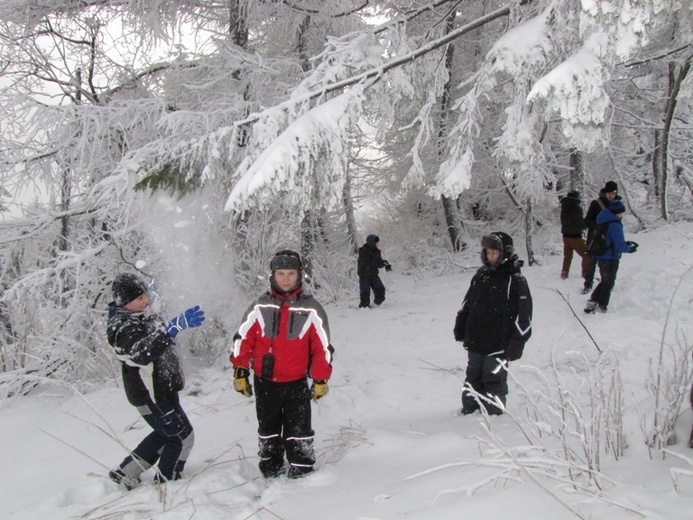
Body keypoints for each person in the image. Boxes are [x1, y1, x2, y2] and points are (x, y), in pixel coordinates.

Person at [230, 250, 334, 479]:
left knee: (299, 429)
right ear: (272, 276)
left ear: (299, 276)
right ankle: (271, 465)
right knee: (268, 428)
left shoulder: (312, 309)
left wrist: (320, 379)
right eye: (280, 273)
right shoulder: (259, 307)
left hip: (296, 382)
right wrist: (240, 371)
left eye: (291, 273)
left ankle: (302, 467)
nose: (285, 278)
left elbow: (322, 348)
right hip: (265, 381)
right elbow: (243, 340)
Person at [107, 273, 205, 489]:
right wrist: (172, 329)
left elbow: (156, 318)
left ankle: (126, 472)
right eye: (139, 298)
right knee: (181, 438)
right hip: (150, 395)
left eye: (145, 296)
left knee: (167, 434)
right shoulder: (123, 327)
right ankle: (168, 483)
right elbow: (141, 352)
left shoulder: (139, 315)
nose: (145, 301)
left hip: (162, 390)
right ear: (124, 302)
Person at [453, 232, 533, 415]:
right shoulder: (481, 275)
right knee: (473, 375)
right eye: (488, 253)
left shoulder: (515, 279)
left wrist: (518, 341)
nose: (490, 257)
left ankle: (493, 413)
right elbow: (469, 303)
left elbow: (524, 315)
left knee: (493, 376)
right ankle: (470, 408)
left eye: (494, 253)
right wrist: (461, 324)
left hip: (499, 342)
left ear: (505, 254)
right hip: (476, 338)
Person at [584, 200, 638, 313]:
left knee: (604, 281)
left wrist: (624, 243)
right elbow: (619, 245)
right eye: (622, 212)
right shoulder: (615, 224)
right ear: (617, 212)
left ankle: (592, 302)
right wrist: (629, 248)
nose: (622, 215)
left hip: (601, 255)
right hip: (610, 258)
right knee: (608, 283)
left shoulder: (603, 219)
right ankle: (602, 306)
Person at [583, 181, 619, 294]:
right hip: (595, 239)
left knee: (607, 264)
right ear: (605, 192)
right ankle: (588, 284)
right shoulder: (596, 204)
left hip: (610, 240)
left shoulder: (618, 205)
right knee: (592, 262)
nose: (611, 195)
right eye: (609, 193)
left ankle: (606, 286)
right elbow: (587, 221)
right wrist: (600, 226)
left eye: (613, 193)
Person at [559, 190, 589, 281]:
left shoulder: (564, 208)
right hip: (575, 236)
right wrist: (587, 224)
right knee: (586, 254)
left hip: (565, 236)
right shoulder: (577, 209)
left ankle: (564, 272)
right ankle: (586, 273)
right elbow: (580, 223)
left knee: (567, 255)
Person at [357, 234, 392, 308]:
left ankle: (375, 306)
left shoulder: (377, 252)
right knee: (365, 296)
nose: (378, 244)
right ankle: (363, 311)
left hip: (373, 275)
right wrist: (374, 264)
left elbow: (378, 263)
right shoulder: (363, 251)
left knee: (381, 291)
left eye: (378, 242)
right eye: (377, 242)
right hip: (364, 276)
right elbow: (365, 263)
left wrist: (385, 263)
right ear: (372, 242)